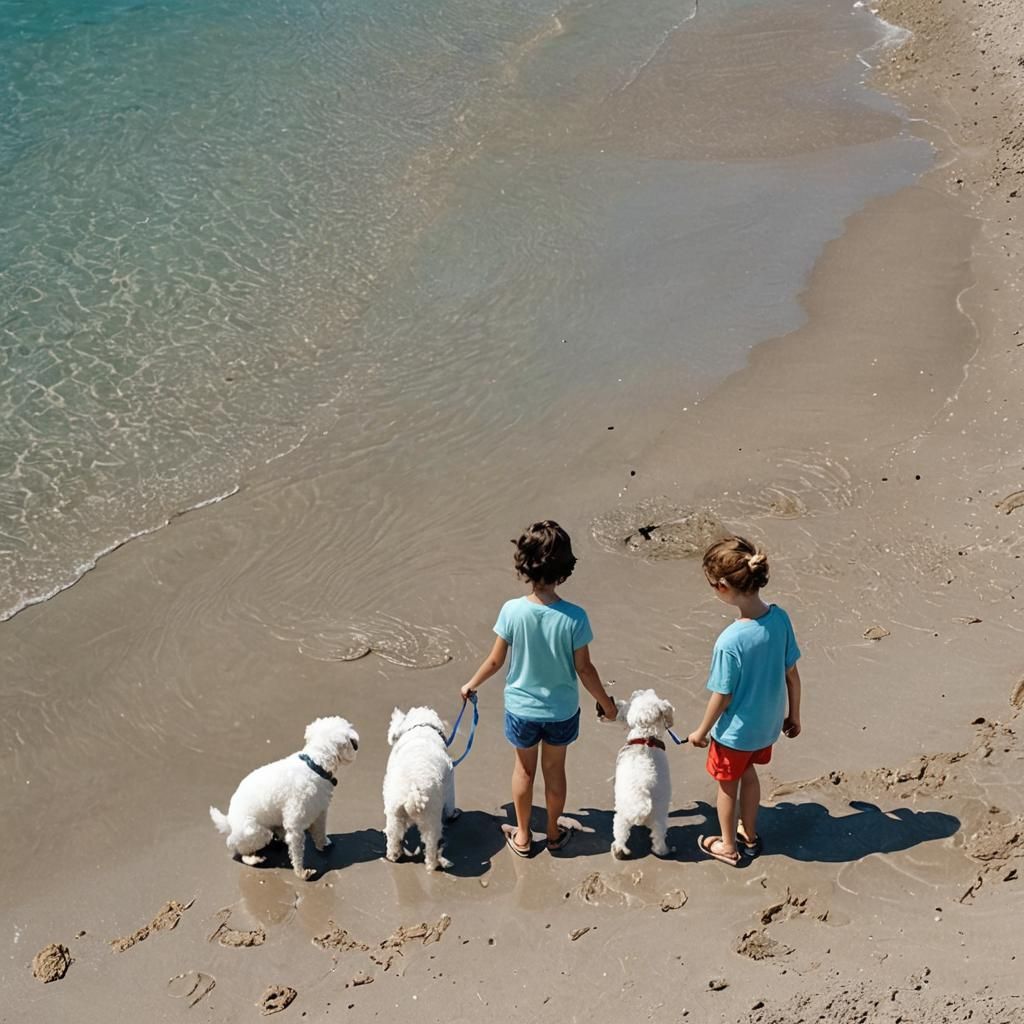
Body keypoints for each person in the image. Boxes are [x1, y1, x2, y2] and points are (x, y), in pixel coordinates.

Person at [461, 520, 617, 857]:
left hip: (521, 710)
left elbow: (494, 661)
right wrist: (606, 704)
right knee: (555, 771)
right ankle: (553, 833)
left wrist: (471, 684)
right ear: (564, 568)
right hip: (561, 711)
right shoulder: (575, 617)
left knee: (524, 770)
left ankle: (522, 835)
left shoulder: (512, 611)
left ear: (524, 564)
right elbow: (585, 669)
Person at [687, 536, 802, 865]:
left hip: (735, 733)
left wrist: (701, 731)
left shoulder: (730, 641)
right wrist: (795, 715)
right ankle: (749, 835)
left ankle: (728, 845)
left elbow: (722, 695)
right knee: (749, 774)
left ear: (723, 586)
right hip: (767, 726)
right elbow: (792, 674)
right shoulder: (780, 619)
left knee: (727, 786)